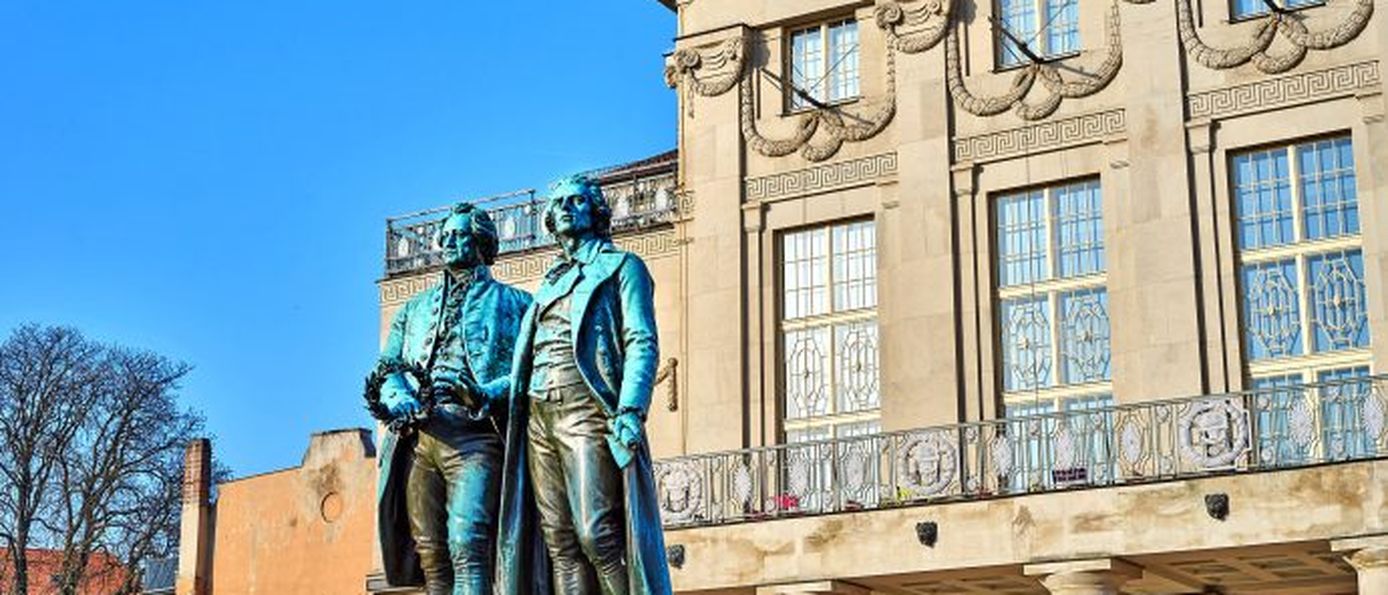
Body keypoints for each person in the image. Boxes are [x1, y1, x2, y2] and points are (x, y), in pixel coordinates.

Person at [496, 174, 672, 595]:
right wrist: (484, 393)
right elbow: (525, 362)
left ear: (596, 211)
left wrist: (630, 409)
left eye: (577, 200)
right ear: (550, 222)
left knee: (597, 531)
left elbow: (641, 341)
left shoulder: (623, 267)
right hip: (538, 413)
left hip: (586, 407)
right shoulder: (548, 285)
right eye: (558, 204)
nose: (566, 208)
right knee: (560, 541)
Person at [372, 202, 531, 595]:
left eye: (459, 234)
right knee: (431, 554)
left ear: (481, 241)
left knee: (468, 544)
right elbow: (387, 368)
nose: (448, 242)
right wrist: (399, 398)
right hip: (419, 439)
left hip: (475, 437)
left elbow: (528, 373)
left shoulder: (517, 304)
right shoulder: (414, 309)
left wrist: (485, 392)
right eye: (444, 236)